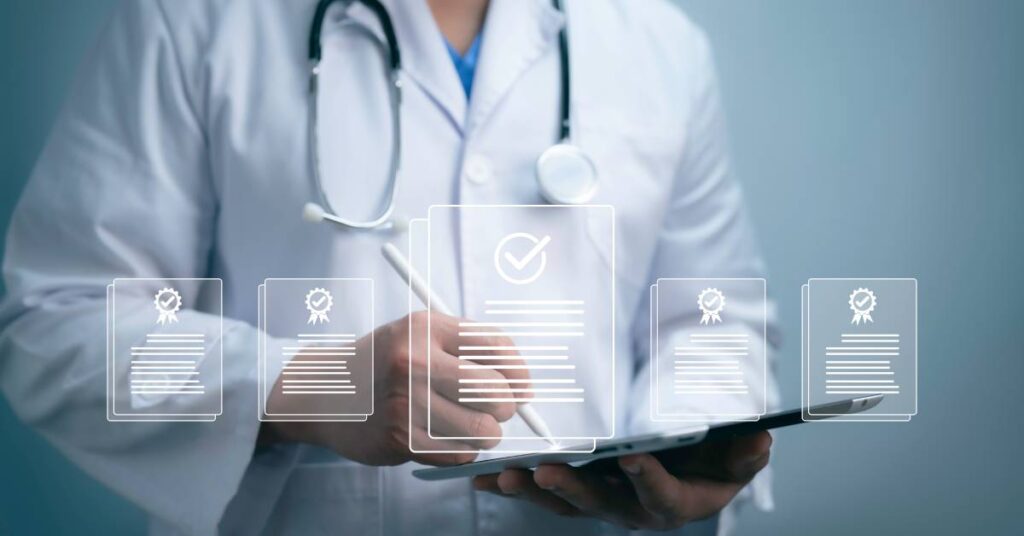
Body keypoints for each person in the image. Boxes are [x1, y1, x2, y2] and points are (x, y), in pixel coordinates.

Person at [0, 0, 778, 534]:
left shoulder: (660, 45)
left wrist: (685, 439)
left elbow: (710, 317)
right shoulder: (197, 20)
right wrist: (314, 387)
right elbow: (56, 321)